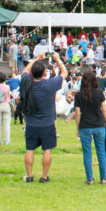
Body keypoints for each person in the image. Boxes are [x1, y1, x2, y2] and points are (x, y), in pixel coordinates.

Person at [20, 54, 66, 183]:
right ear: (44, 72)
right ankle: (44, 176)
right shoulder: (49, 84)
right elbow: (64, 73)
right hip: (47, 124)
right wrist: (58, 60)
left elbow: (24, 72)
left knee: (29, 149)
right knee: (47, 150)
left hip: (31, 124)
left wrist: (36, 59)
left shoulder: (26, 82)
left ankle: (29, 176)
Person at [73, 68, 106, 185]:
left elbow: (78, 114)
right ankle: (103, 178)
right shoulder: (99, 92)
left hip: (85, 125)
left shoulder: (79, 95)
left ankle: (90, 178)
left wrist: (77, 128)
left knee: (87, 152)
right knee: (101, 151)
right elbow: (104, 109)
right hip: (99, 124)